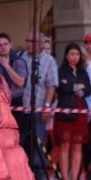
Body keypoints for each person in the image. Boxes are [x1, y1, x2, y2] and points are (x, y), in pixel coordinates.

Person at [53, 43, 91, 180]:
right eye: (72, 54)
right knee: (64, 144)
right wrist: (74, 87)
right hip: (65, 109)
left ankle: (74, 178)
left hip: (80, 109)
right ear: (66, 56)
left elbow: (88, 89)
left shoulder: (83, 72)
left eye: (77, 54)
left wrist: (78, 88)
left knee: (77, 145)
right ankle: (65, 178)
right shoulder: (61, 70)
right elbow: (61, 87)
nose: (74, 57)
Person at [20, 32, 58, 172]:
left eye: (33, 41)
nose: (29, 44)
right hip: (22, 109)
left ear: (41, 44)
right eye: (28, 41)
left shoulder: (49, 60)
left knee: (38, 143)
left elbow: (51, 85)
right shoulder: (21, 57)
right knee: (21, 142)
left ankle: (38, 175)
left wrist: (46, 106)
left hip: (38, 108)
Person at [0, 32, 28, 132]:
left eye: (5, 44)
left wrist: (6, 66)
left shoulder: (18, 61)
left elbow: (20, 82)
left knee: (16, 133)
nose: (3, 47)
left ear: (10, 45)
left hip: (16, 101)